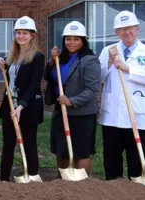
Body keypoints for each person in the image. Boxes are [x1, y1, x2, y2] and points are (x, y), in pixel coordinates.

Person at [98, 11, 145, 180]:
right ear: (117, 32)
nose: (127, 32)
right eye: (122, 29)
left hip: (137, 115)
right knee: (111, 160)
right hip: (112, 116)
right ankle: (113, 190)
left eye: (130, 28)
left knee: (137, 159)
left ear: (137, 29)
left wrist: (128, 68)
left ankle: (139, 191)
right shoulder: (107, 51)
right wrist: (110, 62)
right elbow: (99, 77)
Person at [44, 21, 101, 176]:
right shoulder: (61, 58)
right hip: (60, 112)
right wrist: (51, 61)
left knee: (81, 151)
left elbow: (92, 89)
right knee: (61, 150)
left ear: (83, 40)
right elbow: (49, 76)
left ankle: (80, 187)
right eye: (68, 38)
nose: (71, 42)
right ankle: (64, 185)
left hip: (81, 114)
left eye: (76, 39)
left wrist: (71, 101)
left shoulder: (90, 60)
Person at [0, 16, 44, 181]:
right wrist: (2, 64)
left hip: (28, 107)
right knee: (8, 145)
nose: (21, 36)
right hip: (10, 105)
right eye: (18, 33)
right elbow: (10, 80)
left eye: (25, 33)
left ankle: (31, 177)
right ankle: (4, 180)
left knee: (29, 144)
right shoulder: (12, 56)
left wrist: (21, 106)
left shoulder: (37, 57)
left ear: (32, 35)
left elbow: (34, 85)